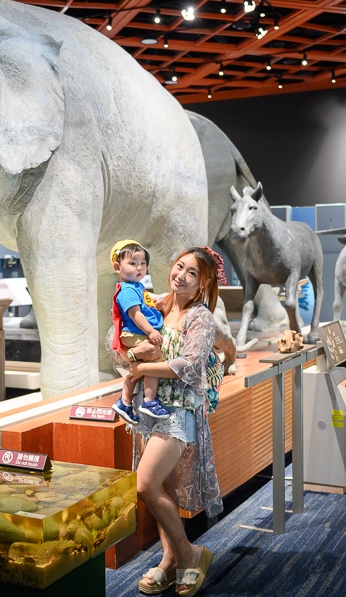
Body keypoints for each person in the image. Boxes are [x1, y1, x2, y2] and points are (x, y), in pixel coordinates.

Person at [120, 246, 223, 597]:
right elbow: (124, 327)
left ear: (203, 283)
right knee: (162, 487)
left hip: (178, 412)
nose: (180, 275)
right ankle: (169, 559)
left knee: (145, 484)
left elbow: (190, 365)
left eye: (191, 273)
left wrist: (142, 368)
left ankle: (190, 553)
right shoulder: (160, 303)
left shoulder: (201, 317)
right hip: (150, 409)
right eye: (179, 266)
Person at [108, 239, 170, 425]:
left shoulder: (136, 287)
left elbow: (145, 306)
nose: (139, 267)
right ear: (118, 267)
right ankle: (149, 402)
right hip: (136, 333)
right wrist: (151, 331)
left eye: (143, 263)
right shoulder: (127, 290)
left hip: (138, 332)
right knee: (154, 362)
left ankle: (124, 402)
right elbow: (135, 315)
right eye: (133, 263)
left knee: (138, 370)